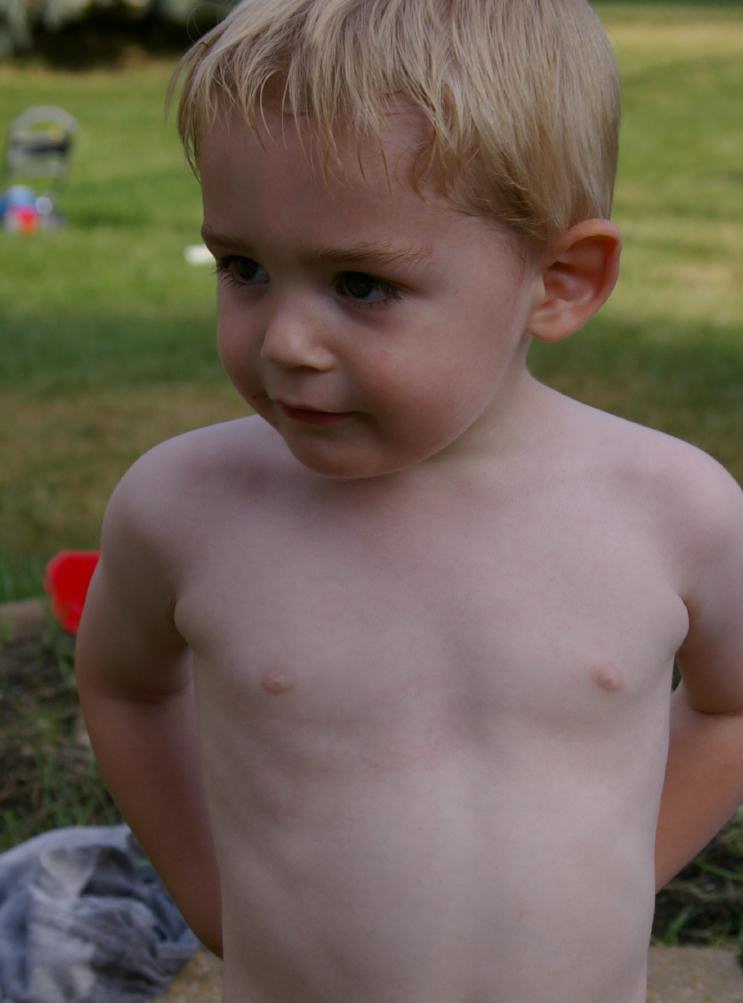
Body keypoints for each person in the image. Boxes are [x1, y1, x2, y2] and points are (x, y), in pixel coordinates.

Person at [74, 1, 743, 1000]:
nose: (284, 342)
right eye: (244, 268)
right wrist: (212, 896)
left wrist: (624, 872)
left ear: (559, 280)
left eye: (359, 284)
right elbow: (125, 687)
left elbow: (731, 702)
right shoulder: (184, 510)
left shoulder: (671, 510)